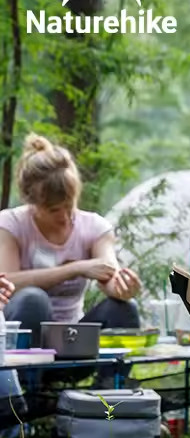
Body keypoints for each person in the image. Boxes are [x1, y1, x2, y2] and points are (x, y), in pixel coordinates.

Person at [0, 133, 142, 347]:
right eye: (54, 209)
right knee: (33, 299)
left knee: (125, 307)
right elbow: (8, 284)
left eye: (69, 205)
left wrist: (122, 287)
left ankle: (112, 380)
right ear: (32, 203)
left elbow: (109, 273)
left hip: (72, 341)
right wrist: (74, 268)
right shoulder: (10, 224)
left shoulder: (95, 227)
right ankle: (27, 380)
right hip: (23, 343)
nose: (64, 216)